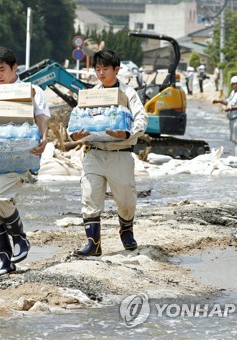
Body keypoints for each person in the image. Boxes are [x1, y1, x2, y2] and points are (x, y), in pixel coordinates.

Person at [0, 46, 50, 277]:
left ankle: (20, 239)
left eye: (2, 69)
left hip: (17, 158)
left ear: (15, 68)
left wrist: (43, 137)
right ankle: (5, 261)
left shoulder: (32, 90)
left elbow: (41, 117)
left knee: (0, 198)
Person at [69, 50, 148, 256]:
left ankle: (126, 230)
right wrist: (74, 134)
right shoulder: (91, 95)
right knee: (90, 195)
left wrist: (127, 132)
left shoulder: (127, 93)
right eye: (97, 69)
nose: (101, 73)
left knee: (125, 199)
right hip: (94, 152)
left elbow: (141, 117)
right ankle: (93, 244)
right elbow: (77, 117)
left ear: (117, 70)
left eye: (105, 69)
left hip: (120, 152)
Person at [212, 75, 237, 157]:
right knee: (234, 139)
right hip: (232, 118)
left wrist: (230, 108)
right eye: (233, 84)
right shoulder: (233, 93)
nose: (235, 85)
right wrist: (219, 101)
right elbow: (228, 102)